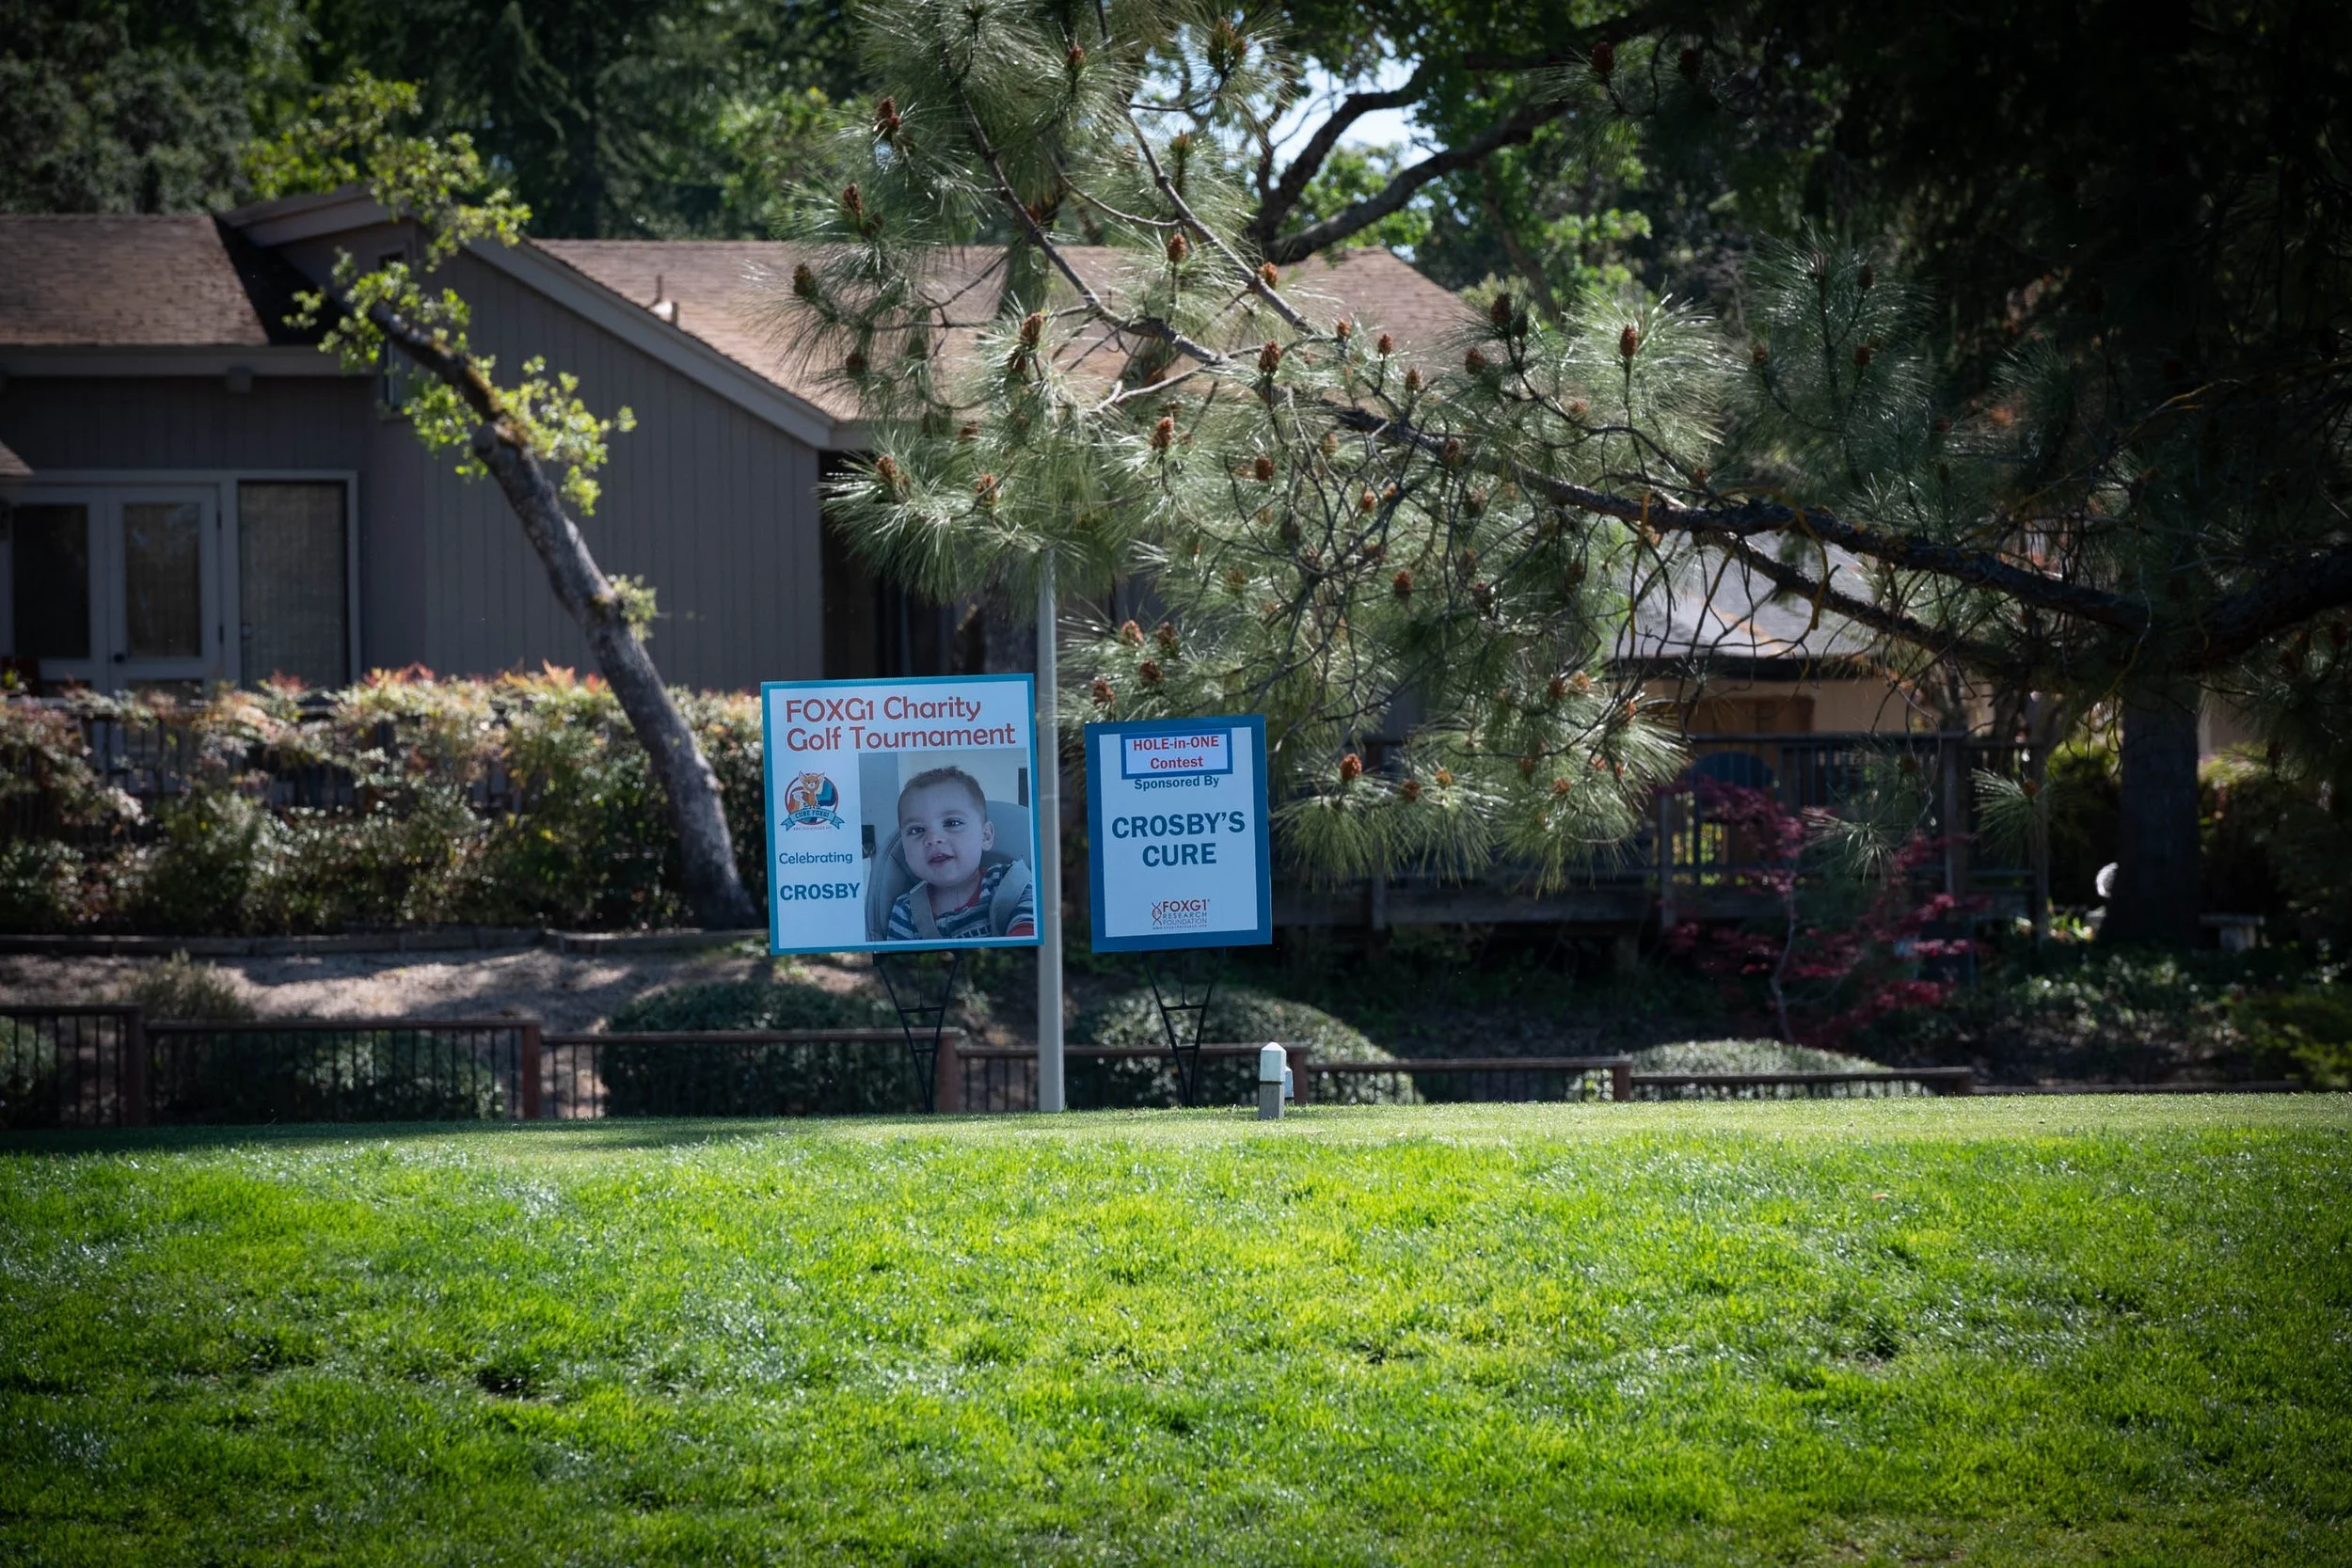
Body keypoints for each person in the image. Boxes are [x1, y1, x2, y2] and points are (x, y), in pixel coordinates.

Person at [884, 767, 1036, 941]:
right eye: (917, 830)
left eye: (952, 823)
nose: (933, 839)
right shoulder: (905, 912)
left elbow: (1029, 941)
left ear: (985, 836)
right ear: (904, 849)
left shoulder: (1012, 883)